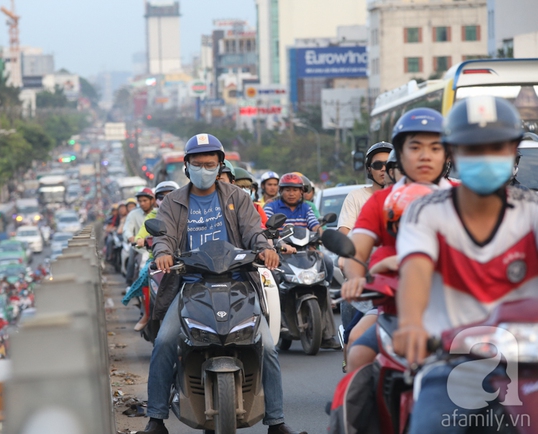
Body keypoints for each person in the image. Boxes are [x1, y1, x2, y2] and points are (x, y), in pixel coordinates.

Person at [140, 133, 305, 434]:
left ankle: (277, 421)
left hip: (238, 282)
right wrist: (163, 254)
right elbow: (163, 238)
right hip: (190, 284)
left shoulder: (238, 198)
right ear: (187, 167)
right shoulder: (173, 202)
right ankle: (156, 418)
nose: (205, 169)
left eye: (211, 164)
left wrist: (265, 248)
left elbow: (254, 231)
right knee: (164, 341)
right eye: (198, 164)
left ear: (220, 165)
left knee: (267, 346)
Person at [392, 96, 534, 434]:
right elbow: (415, 269)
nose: (485, 156)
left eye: (496, 147)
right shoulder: (425, 211)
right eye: (472, 148)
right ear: (453, 153)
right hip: (453, 363)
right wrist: (411, 324)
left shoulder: (533, 211)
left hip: (529, 366)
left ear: (514, 150)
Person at [341, 108, 453, 372]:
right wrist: (356, 276)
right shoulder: (380, 201)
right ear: (400, 154)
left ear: (447, 155)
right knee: (357, 350)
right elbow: (355, 251)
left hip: (456, 313)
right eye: (415, 147)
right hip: (393, 312)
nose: (425, 156)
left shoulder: (461, 197)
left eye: (435, 148)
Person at [263, 173, 340, 350]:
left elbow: (314, 225)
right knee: (271, 280)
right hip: (281, 255)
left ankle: (327, 333)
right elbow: (267, 227)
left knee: (326, 264)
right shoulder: (272, 207)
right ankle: (275, 324)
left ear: (302, 192)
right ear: (281, 191)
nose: (291, 193)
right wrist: (278, 243)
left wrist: (322, 236)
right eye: (287, 190)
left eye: (295, 190)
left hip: (305, 253)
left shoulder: (306, 208)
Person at [123, 181, 180, 331]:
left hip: (182, 259)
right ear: (156, 200)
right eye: (161, 196)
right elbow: (140, 235)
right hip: (156, 258)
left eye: (170, 195)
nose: (165, 199)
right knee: (146, 275)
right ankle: (147, 314)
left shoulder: (186, 214)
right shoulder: (153, 216)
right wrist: (140, 240)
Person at [337, 142, 393, 235]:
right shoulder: (355, 197)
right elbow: (344, 233)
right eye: (378, 165)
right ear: (369, 169)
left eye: (388, 164)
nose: (383, 169)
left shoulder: (407, 196)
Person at [123, 188, 157, 287]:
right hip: (139, 248)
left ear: (152, 200)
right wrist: (130, 237)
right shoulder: (133, 214)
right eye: (140, 201)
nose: (142, 203)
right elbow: (127, 229)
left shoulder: (158, 213)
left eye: (145, 200)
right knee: (131, 262)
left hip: (156, 248)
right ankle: (130, 284)